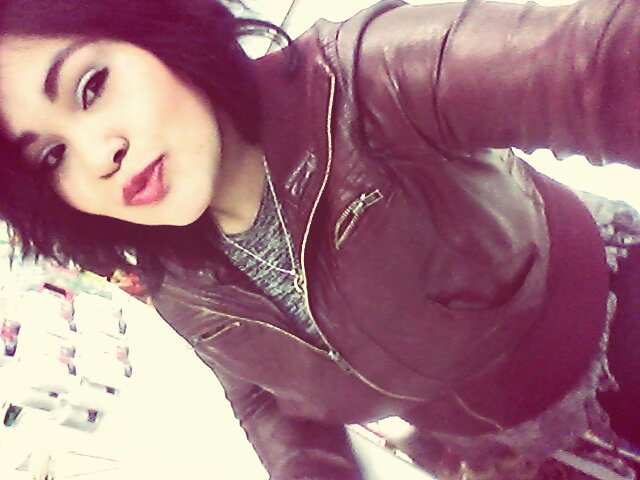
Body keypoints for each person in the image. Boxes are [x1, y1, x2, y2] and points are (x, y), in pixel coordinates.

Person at [0, 0, 639, 477]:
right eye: (52, 156)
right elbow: (263, 398)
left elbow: (607, 67)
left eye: (91, 86)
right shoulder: (177, 280)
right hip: (500, 456)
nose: (98, 156)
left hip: (617, 337)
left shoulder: (365, 80)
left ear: (158, 31)